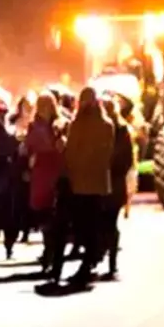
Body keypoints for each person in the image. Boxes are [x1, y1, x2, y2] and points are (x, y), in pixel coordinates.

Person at [57, 87, 115, 288]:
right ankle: (92, 260)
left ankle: (87, 262)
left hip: (81, 184)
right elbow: (107, 154)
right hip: (98, 184)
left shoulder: (78, 124)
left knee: (84, 226)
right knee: (94, 225)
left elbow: (71, 153)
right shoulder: (106, 125)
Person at [27, 92, 67, 280]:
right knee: (46, 213)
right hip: (45, 171)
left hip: (49, 171)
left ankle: (50, 251)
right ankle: (48, 250)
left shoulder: (55, 125)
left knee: (50, 213)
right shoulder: (40, 125)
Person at [101, 95, 136, 279]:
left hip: (113, 183)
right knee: (105, 223)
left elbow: (126, 159)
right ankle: (103, 259)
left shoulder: (121, 130)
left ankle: (111, 263)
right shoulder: (100, 128)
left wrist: (109, 165)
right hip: (104, 182)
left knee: (110, 223)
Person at [0, 92, 30, 258]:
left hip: (15, 175)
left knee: (12, 210)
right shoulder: (7, 127)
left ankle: (11, 238)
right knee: (7, 209)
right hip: (7, 175)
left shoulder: (22, 126)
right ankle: (8, 238)